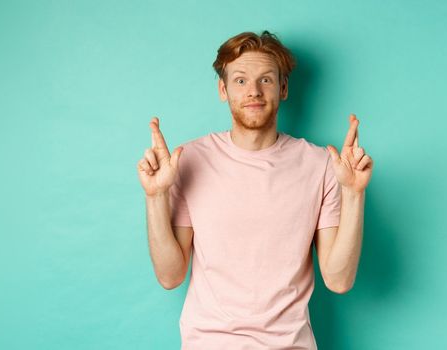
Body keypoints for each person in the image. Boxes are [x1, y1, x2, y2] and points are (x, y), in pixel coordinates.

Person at [136, 30, 373, 349]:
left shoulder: (320, 165)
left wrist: (354, 194)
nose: (254, 91)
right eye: (240, 80)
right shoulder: (189, 160)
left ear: (283, 88)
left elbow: (339, 279)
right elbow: (170, 276)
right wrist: (155, 197)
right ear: (223, 89)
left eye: (266, 80)